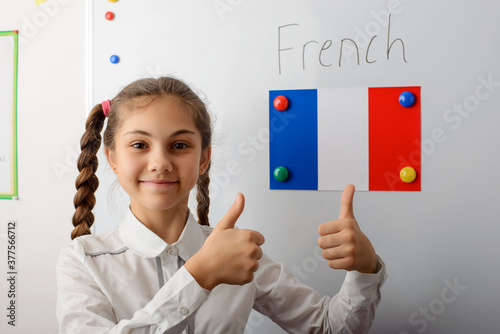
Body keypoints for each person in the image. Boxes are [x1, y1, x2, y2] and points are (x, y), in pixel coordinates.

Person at [56, 76, 387, 333]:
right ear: (112, 158)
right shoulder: (83, 261)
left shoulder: (237, 253)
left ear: (204, 159)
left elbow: (329, 327)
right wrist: (200, 276)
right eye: (140, 144)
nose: (160, 162)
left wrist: (365, 269)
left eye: (180, 144)